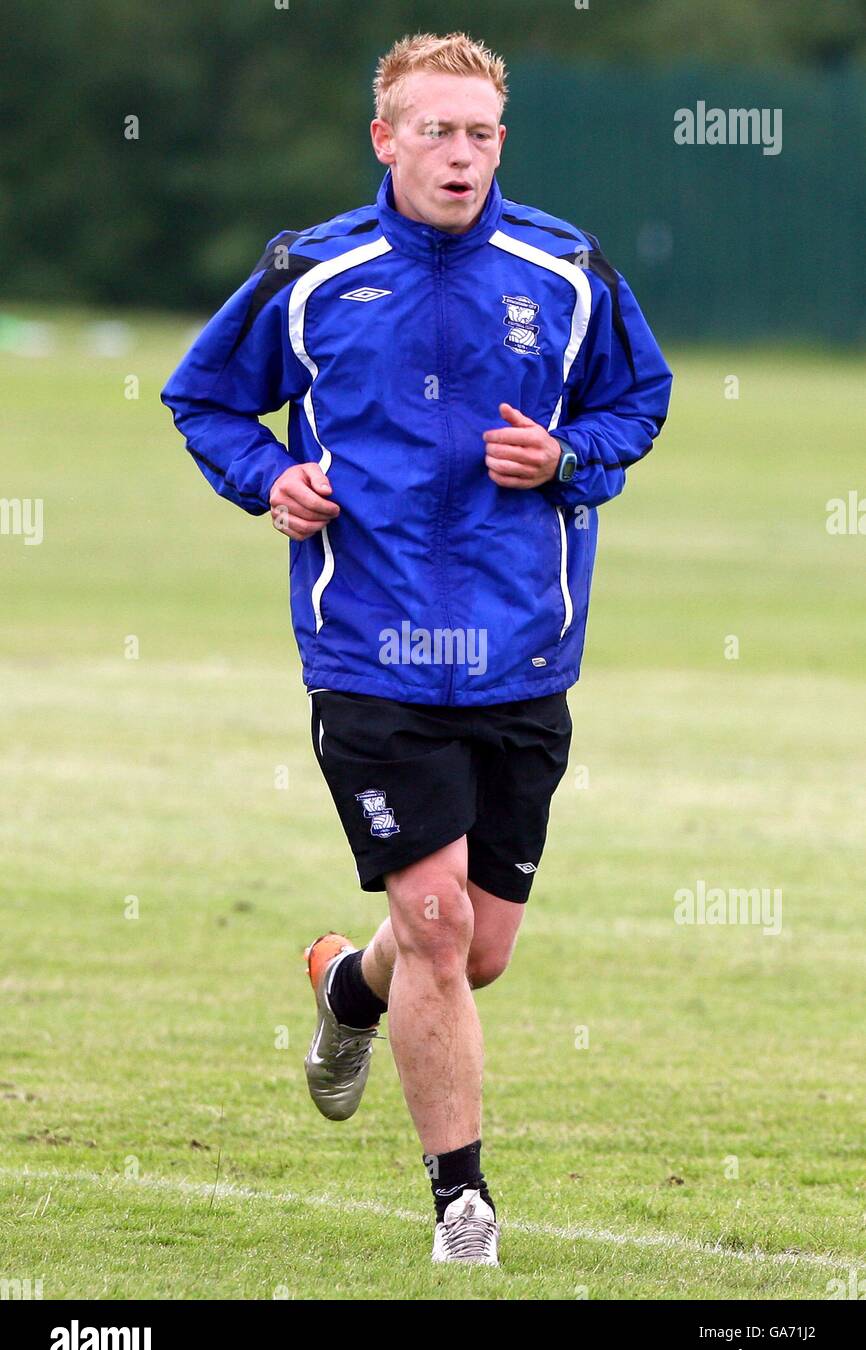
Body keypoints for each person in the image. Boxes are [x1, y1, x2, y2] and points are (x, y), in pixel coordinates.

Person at [161, 30, 673, 1267]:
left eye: (481, 133)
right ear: (383, 138)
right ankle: (462, 1206)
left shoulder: (562, 267)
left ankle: (348, 992)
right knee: (436, 925)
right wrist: (269, 475)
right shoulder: (312, 271)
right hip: (369, 650)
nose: (459, 154)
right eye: (434, 131)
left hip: (521, 655)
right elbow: (206, 397)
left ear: (503, 141)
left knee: (473, 951)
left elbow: (636, 398)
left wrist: (567, 458)